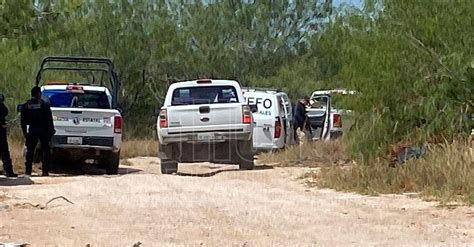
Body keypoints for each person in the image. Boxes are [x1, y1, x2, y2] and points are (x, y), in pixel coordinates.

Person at [21, 87, 55, 176]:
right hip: (43, 130)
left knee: (30, 150)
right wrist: (51, 131)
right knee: (45, 150)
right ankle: (45, 171)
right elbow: (49, 120)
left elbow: (22, 121)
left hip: (32, 130)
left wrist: (25, 134)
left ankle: (28, 171)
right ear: (39, 94)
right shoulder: (44, 105)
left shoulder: (26, 105)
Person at [0, 94, 17, 177]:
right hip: (1, 133)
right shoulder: (1, 107)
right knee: (4, 152)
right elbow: (5, 111)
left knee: (5, 152)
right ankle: (8, 171)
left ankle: (8, 171)